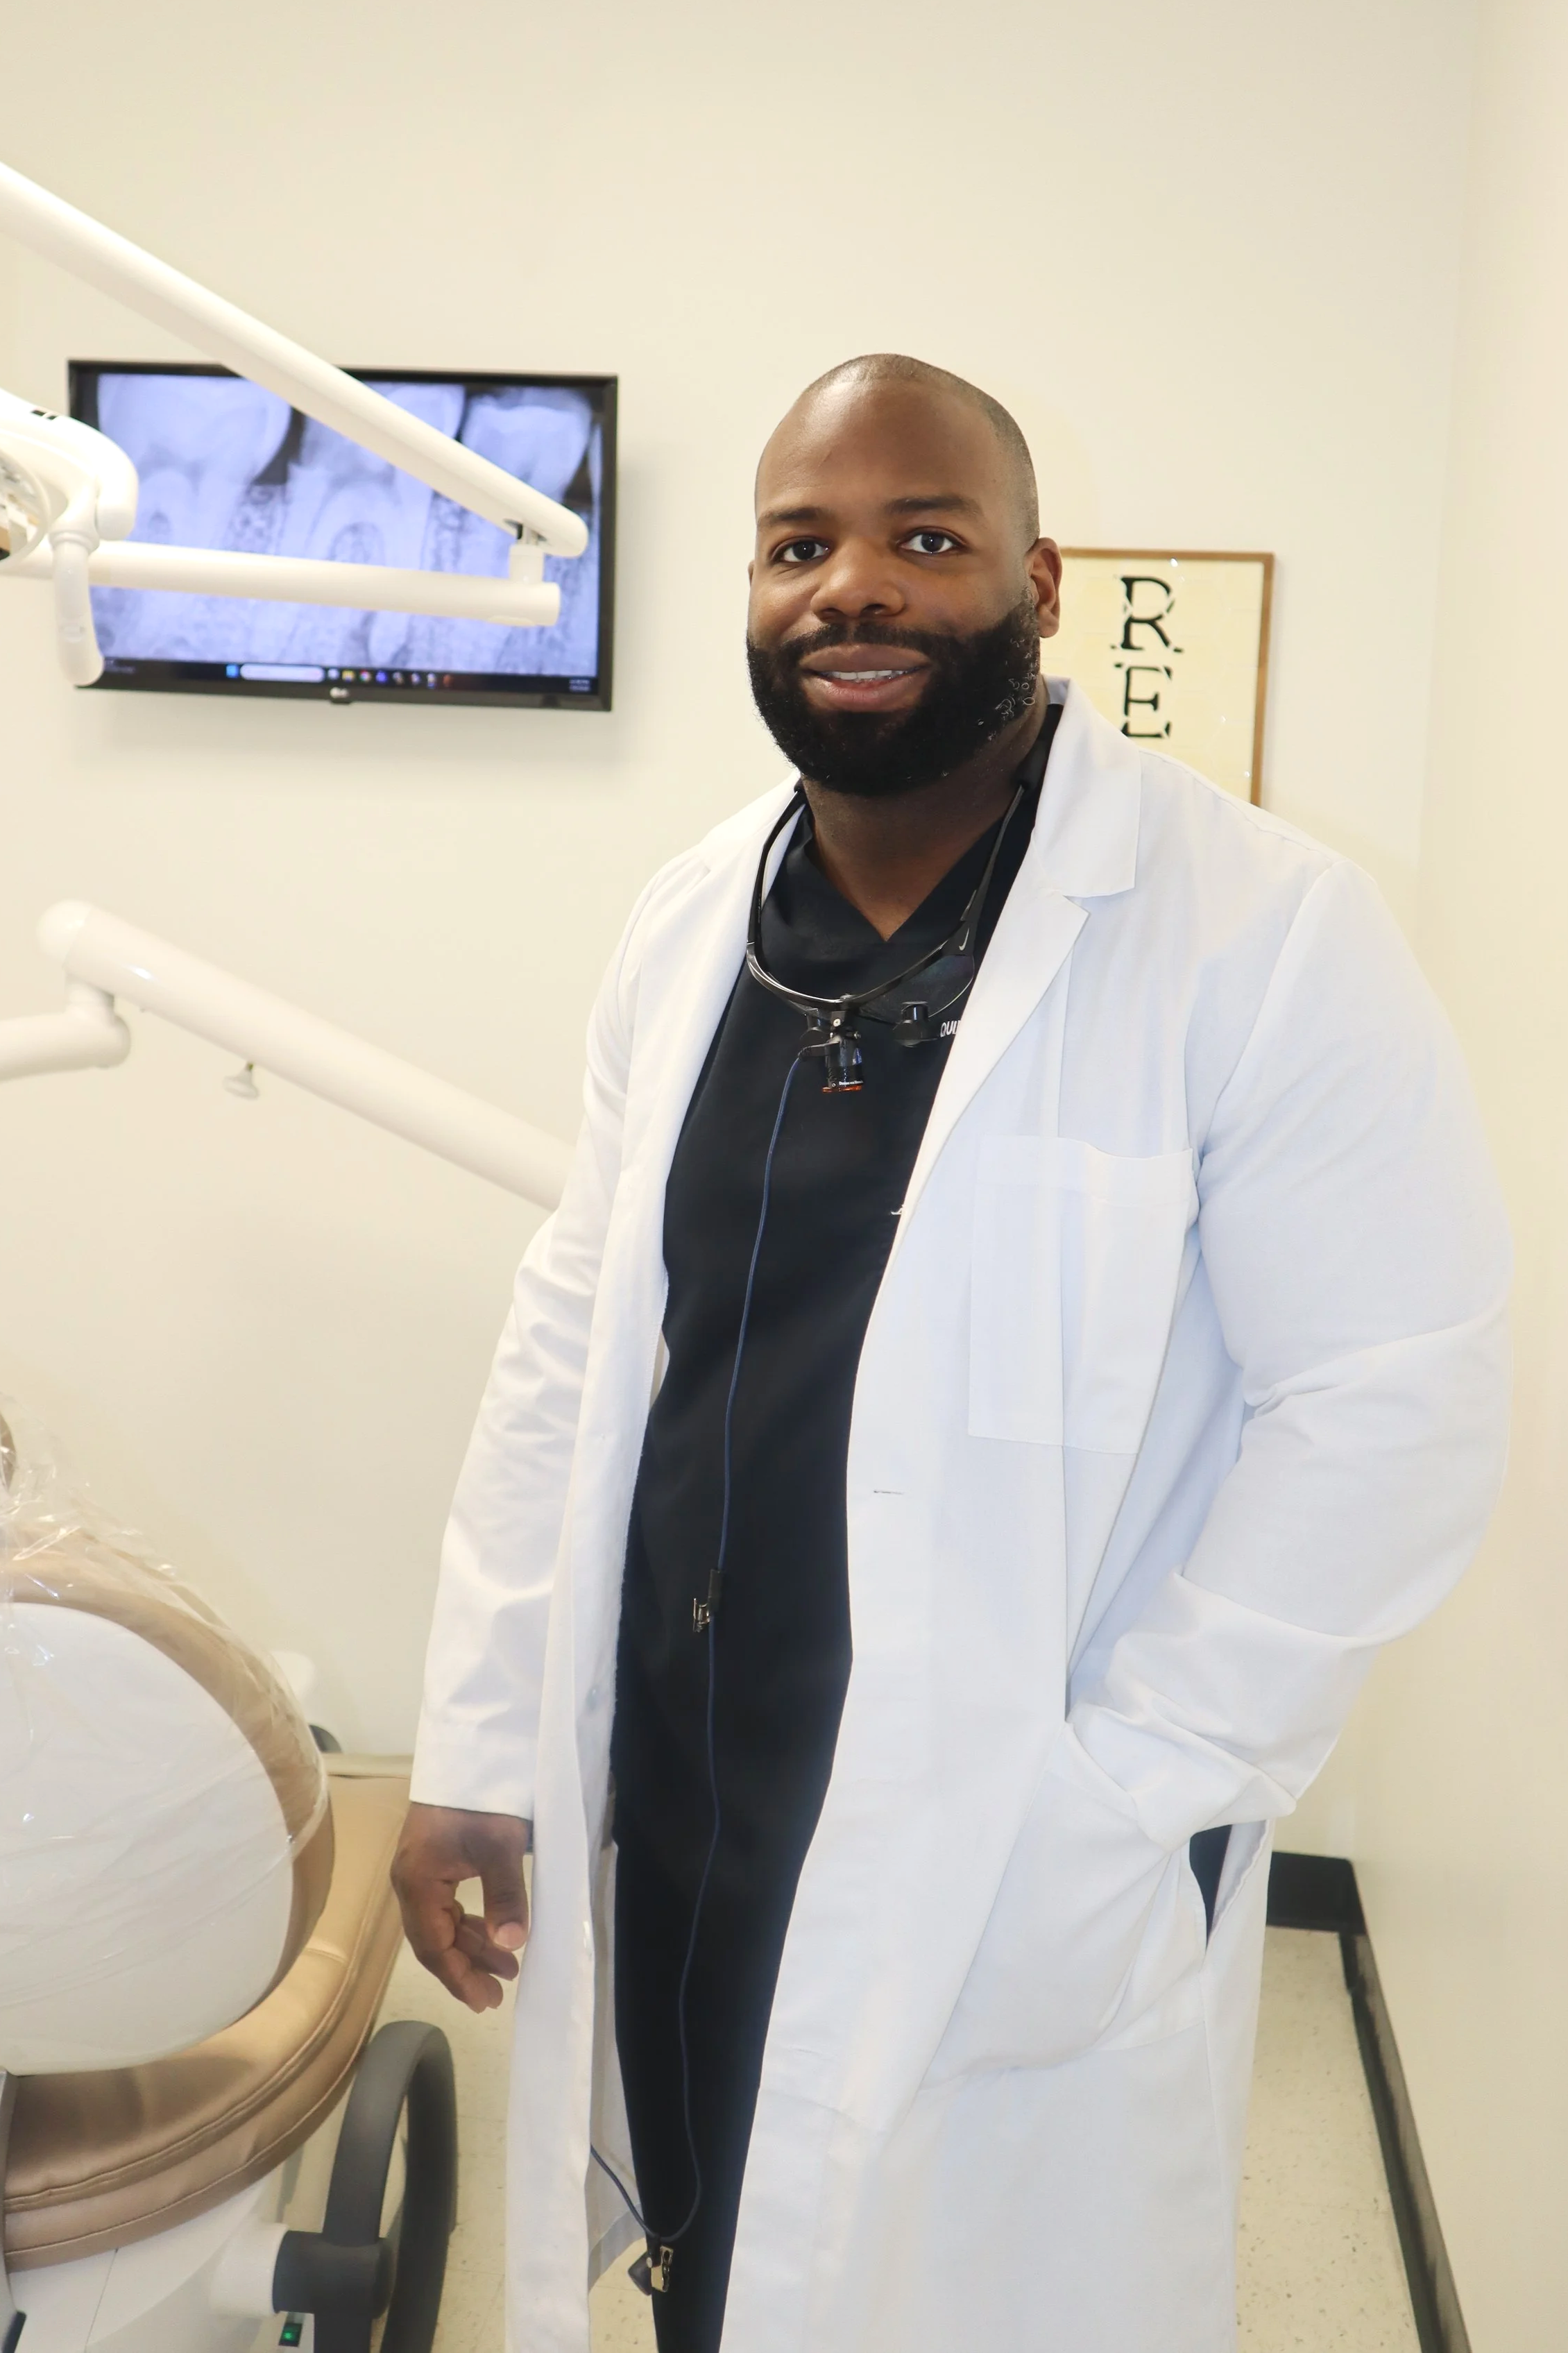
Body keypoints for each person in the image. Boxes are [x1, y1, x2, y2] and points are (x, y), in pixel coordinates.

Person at [392, 355, 1510, 2353]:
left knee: (947, 2286)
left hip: (1001, 1819)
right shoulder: (683, 922)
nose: (852, 588)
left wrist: (1132, 1795)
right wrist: (484, 1734)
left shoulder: (1258, 932)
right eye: (797, 545)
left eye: (923, 537)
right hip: (682, 1766)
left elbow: (1391, 1408)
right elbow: (574, 1327)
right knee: (707, 2230)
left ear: (1037, 578)